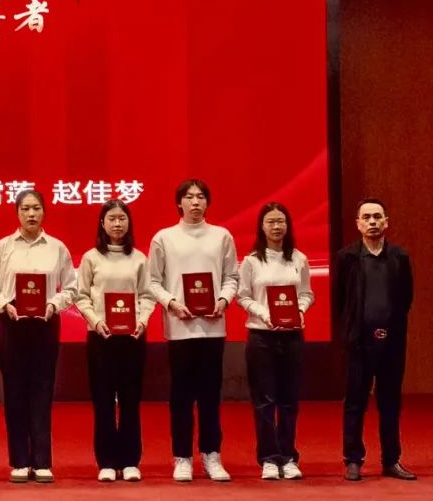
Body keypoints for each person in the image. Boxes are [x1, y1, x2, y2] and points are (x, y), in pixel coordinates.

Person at [147, 179, 238, 483]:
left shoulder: (221, 236)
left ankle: (212, 455)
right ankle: (182, 457)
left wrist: (223, 300)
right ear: (179, 203)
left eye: (201, 197)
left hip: (213, 327)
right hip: (180, 328)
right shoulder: (164, 238)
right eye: (189, 197)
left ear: (207, 202)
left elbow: (232, 277)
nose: (195, 202)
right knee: (181, 396)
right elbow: (153, 281)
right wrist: (171, 303)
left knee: (211, 395)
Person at [0, 189, 76, 483]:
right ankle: (20, 461)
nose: (31, 214)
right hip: (12, 323)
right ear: (17, 213)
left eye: (36, 208)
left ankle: (42, 460)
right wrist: (4, 305)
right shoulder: (3, 248)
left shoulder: (57, 248)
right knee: (14, 390)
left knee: (42, 389)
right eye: (25, 209)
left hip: (45, 323)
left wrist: (54, 304)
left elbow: (71, 287)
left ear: (44, 212)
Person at [333, 198, 416, 481]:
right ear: (358, 224)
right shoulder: (346, 258)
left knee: (390, 403)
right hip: (358, 343)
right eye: (366, 217)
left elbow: (406, 299)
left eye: (377, 217)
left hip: (392, 343)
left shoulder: (399, 257)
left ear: (386, 222)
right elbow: (340, 301)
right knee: (355, 402)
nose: (372, 222)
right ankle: (353, 459)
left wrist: (388, 327)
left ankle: (391, 460)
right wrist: (351, 332)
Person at [74, 200, 155, 483]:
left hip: (132, 338)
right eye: (112, 218)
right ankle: (107, 461)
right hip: (101, 337)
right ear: (102, 223)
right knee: (103, 400)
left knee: (131, 400)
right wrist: (96, 321)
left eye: (122, 218)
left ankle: (130, 460)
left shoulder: (139, 258)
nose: (117, 223)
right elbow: (81, 295)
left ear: (129, 222)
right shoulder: (91, 258)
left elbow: (147, 295)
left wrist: (142, 320)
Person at [237, 203, 313, 481]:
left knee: (289, 400)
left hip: (292, 336)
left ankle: (289, 456)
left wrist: (299, 310)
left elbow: (306, 293)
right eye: (271, 222)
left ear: (288, 225)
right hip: (261, 336)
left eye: (281, 221)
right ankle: (269, 458)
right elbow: (243, 296)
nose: (277, 226)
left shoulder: (299, 259)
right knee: (265, 401)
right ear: (262, 226)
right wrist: (265, 314)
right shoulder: (251, 261)